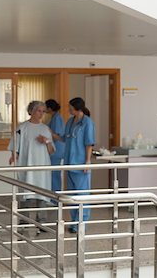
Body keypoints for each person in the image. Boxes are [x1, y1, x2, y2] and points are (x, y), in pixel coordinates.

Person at [8, 101, 55, 233]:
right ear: (32, 111)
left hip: (42, 166)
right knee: (25, 192)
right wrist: (14, 156)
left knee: (42, 192)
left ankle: (42, 221)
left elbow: (51, 150)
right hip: (26, 164)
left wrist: (46, 142)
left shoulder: (45, 129)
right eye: (39, 111)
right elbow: (15, 146)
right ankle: (23, 220)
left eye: (43, 111)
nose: (41, 114)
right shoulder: (22, 128)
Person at [63, 97, 95, 233]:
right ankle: (74, 223)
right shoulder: (70, 121)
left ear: (77, 109)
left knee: (82, 196)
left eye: (70, 108)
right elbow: (65, 138)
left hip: (81, 164)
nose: (69, 110)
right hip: (69, 164)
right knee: (72, 196)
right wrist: (49, 136)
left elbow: (89, 144)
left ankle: (81, 224)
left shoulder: (87, 123)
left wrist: (87, 162)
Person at [45, 99, 65, 200]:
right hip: (55, 149)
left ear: (49, 108)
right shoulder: (54, 118)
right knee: (53, 173)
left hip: (58, 150)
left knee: (54, 174)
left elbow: (58, 136)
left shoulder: (57, 118)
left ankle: (55, 199)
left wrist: (47, 131)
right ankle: (53, 197)